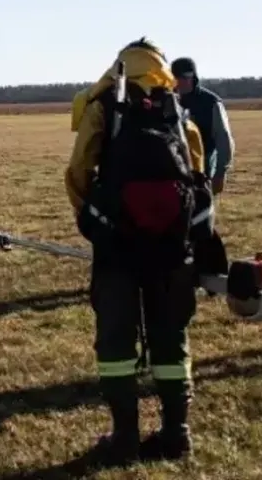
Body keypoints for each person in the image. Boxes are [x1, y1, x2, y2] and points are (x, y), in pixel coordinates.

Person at [66, 38, 223, 466]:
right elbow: (196, 177)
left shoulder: (105, 109)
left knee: (117, 340)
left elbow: (79, 170)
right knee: (171, 335)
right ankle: (177, 432)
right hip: (172, 248)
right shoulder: (177, 113)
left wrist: (94, 219)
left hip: (118, 245)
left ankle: (125, 438)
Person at [170, 57, 236, 195]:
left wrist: (220, 173)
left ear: (193, 77)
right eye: (177, 78)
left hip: (203, 165)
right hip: (174, 164)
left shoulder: (211, 103)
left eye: (185, 77)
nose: (181, 82)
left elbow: (223, 139)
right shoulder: (167, 102)